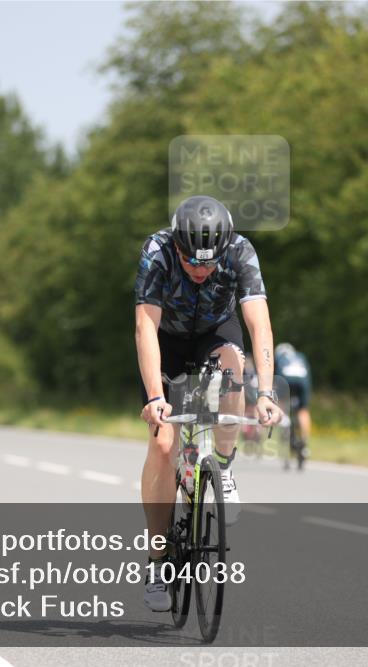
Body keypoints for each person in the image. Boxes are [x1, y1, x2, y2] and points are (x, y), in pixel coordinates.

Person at [135, 194, 282, 611]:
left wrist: (267, 393)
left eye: (208, 263)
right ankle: (158, 561)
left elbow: (260, 326)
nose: (200, 271)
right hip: (167, 340)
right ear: (177, 247)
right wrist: (155, 397)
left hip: (217, 331)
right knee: (163, 445)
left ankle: (223, 464)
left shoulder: (239, 251)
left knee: (233, 371)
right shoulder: (157, 253)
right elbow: (145, 330)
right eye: (191, 262)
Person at [275, 342, 312, 470]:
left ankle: (284, 423)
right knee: (303, 410)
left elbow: (274, 377)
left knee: (282, 406)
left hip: (286, 380)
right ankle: (304, 442)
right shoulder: (300, 356)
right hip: (302, 381)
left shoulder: (279, 357)